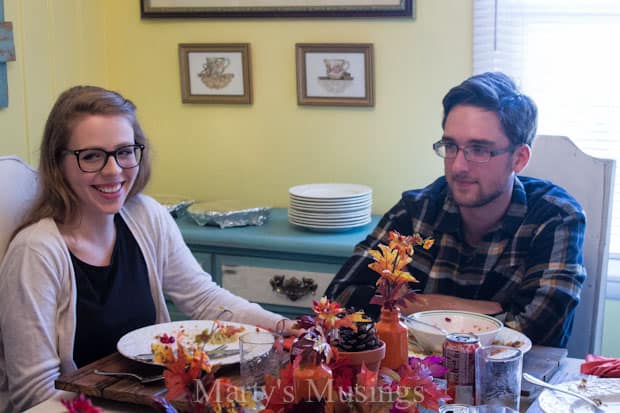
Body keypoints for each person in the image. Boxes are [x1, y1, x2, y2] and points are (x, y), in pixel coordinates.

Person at [0, 86, 294, 412]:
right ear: (59, 163)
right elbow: (34, 396)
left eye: (125, 151)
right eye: (92, 156)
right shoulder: (35, 255)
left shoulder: (146, 215)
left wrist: (284, 328)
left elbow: (204, 299)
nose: (113, 170)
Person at [325, 72, 586, 348]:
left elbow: (535, 332)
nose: (459, 165)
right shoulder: (416, 210)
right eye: (451, 146)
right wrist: (470, 308)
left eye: (479, 149)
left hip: (513, 386)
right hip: (413, 383)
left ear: (519, 159)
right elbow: (338, 301)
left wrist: (406, 306)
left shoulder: (554, 217)